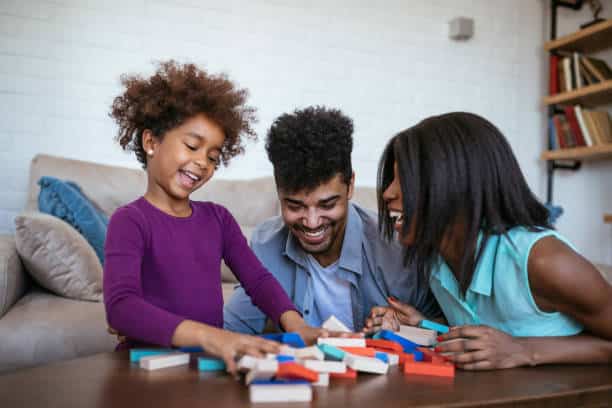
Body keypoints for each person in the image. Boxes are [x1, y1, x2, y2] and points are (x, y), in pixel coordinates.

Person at [104, 61, 329, 373]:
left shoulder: (218, 219)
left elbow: (258, 280)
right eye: (192, 146)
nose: (201, 163)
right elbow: (121, 308)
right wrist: (214, 337)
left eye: (213, 157)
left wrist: (296, 325)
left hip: (206, 367)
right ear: (151, 142)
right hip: (146, 369)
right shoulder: (130, 221)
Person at [371, 111, 612, 369]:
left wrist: (524, 350)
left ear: (457, 183)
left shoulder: (544, 261)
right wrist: (423, 326)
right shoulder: (435, 261)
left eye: (404, 179)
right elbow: (489, 335)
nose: (387, 193)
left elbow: (510, 345)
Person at [223, 106, 440, 334]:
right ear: (278, 193)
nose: (312, 222)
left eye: (327, 205)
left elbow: (442, 325)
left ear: (351, 186)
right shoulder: (266, 244)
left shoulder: (395, 247)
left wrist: (413, 326)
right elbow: (233, 329)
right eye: (295, 206)